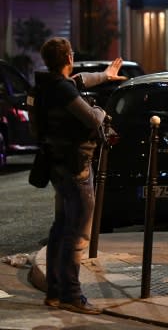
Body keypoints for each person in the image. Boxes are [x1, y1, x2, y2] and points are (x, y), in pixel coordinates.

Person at [38, 37, 126, 315]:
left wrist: (105, 76)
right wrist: (101, 110)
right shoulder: (63, 91)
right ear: (68, 58)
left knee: (60, 228)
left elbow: (80, 80)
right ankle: (72, 295)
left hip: (56, 165)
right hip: (76, 166)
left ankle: (54, 291)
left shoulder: (47, 86)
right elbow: (91, 118)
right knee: (77, 233)